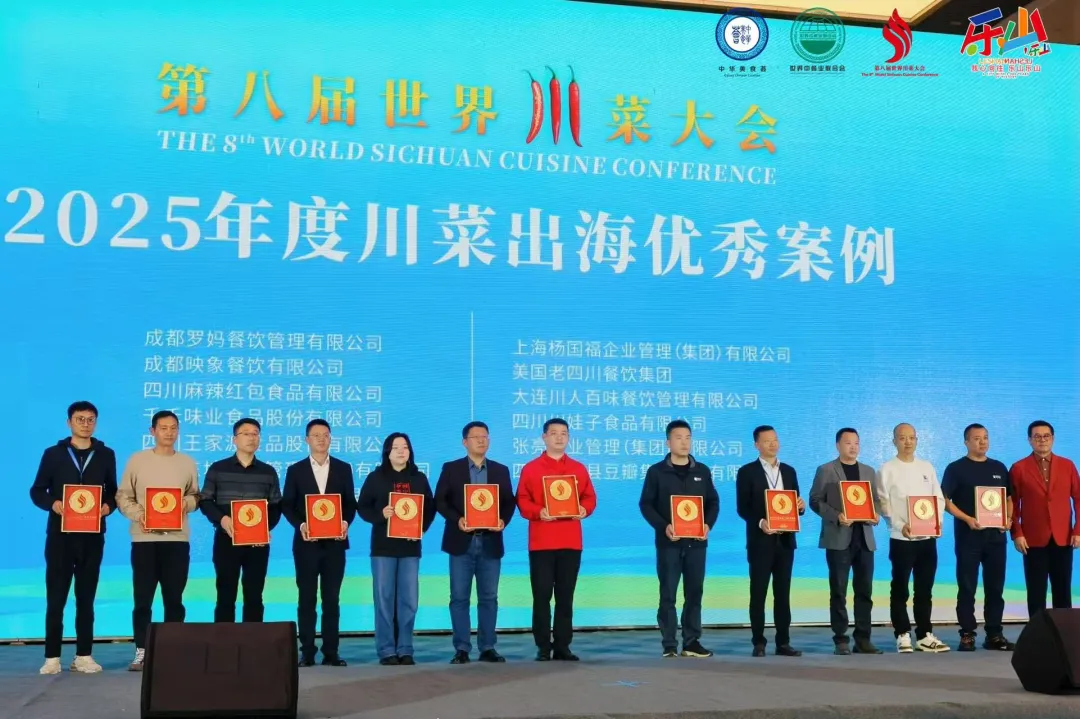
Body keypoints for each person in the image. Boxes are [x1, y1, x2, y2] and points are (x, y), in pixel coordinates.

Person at [29, 401, 118, 675]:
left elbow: (113, 492)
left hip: (92, 536)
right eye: (80, 419)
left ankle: (83, 655)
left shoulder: (106, 454)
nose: (85, 424)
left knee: (86, 598)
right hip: (60, 536)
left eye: (90, 419)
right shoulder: (53, 454)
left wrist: (107, 507)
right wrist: (53, 503)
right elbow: (37, 491)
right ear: (69, 422)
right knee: (56, 598)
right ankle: (52, 657)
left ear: (96, 423)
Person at [115, 410, 201, 671]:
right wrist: (140, 515)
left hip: (177, 540)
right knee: (143, 599)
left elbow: (196, 496)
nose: (169, 432)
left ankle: (172, 650)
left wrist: (185, 504)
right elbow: (123, 496)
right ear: (152, 431)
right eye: (163, 428)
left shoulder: (187, 463)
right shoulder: (137, 461)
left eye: (174, 428)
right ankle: (142, 650)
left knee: (174, 598)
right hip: (144, 540)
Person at [434, 421, 516, 664]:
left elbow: (509, 502)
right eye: (476, 437)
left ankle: (488, 647)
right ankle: (461, 648)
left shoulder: (500, 470)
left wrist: (502, 520)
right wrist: (457, 519)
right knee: (459, 597)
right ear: (464, 442)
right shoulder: (451, 469)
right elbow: (440, 501)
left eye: (485, 436)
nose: (481, 440)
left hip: (490, 541)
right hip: (461, 541)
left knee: (489, 597)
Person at [516, 418, 597, 661]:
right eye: (554, 433)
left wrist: (583, 509)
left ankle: (562, 645)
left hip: (570, 542)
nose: (559, 437)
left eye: (564, 433)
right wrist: (538, 512)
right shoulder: (531, 468)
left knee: (565, 596)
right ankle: (543, 646)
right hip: (541, 542)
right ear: (544, 437)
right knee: (541, 597)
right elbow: (522, 499)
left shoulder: (578, 468)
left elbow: (590, 497)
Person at [639, 420, 719, 658]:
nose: (684, 442)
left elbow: (713, 502)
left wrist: (707, 524)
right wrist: (664, 527)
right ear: (668, 442)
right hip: (669, 544)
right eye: (678, 438)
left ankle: (692, 642)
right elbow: (646, 505)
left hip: (697, 543)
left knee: (694, 593)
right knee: (668, 594)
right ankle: (669, 644)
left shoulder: (702, 471)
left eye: (688, 437)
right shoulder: (656, 472)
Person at [281, 418, 357, 667]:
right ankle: (307, 651)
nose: (321, 439)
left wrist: (344, 522)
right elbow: (287, 505)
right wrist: (301, 525)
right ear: (307, 440)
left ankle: (331, 652)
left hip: (335, 544)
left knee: (332, 599)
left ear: (330, 438)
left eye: (325, 435)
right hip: (306, 545)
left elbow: (350, 504)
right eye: (316, 435)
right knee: (306, 599)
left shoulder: (344, 468)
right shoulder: (296, 470)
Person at [357, 432, 436, 666]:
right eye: (396, 447)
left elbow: (430, 508)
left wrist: (421, 528)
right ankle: (386, 650)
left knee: (409, 600)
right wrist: (380, 514)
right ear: (387, 452)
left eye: (405, 447)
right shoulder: (376, 478)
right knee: (384, 599)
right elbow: (362, 508)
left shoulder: (419, 478)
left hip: (410, 547)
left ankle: (405, 648)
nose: (401, 451)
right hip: (383, 547)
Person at [199, 418, 282, 623]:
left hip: (257, 544)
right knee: (225, 595)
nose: (251, 438)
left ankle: (252, 642)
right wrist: (222, 519)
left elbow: (276, 505)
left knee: (254, 596)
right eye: (246, 433)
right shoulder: (218, 468)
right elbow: (205, 501)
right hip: (226, 540)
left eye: (255, 434)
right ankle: (224, 641)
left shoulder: (268, 471)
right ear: (234, 439)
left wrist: (265, 527)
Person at [874, 423, 949, 653]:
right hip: (901, 538)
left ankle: (924, 634)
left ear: (917, 440)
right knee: (900, 588)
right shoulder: (886, 469)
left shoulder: (927, 467)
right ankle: (902, 633)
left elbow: (938, 498)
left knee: (924, 589)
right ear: (894, 441)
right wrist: (899, 525)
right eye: (902, 438)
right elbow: (883, 503)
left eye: (912, 437)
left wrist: (937, 523)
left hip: (927, 539)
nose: (907, 442)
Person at [941, 423, 1015, 651]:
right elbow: (944, 501)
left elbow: (1009, 498)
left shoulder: (999, 467)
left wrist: (1008, 519)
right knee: (967, 587)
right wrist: (967, 519)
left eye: (985, 437)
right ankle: (967, 634)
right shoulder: (955, 468)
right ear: (966, 442)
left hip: (996, 539)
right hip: (969, 537)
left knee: (995, 588)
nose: (982, 442)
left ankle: (994, 634)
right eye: (976, 438)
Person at [809, 427, 883, 655]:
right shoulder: (826, 470)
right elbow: (815, 500)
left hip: (864, 538)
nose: (853, 447)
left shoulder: (869, 471)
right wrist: (837, 516)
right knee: (839, 591)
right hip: (838, 538)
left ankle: (863, 639)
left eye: (856, 443)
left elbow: (876, 500)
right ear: (838, 445)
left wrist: (876, 513)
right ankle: (840, 639)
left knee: (865, 591)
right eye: (848, 443)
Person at [735, 425, 804, 657]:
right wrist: (760, 522)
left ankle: (783, 642)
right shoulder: (747, 472)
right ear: (757, 445)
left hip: (785, 542)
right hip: (760, 542)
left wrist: (800, 507)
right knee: (759, 593)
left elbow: (794, 503)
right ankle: (759, 642)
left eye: (775, 440)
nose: (773, 444)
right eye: (767, 441)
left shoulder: (789, 471)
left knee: (783, 594)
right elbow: (743, 507)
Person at [1010, 420, 1080, 618]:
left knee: (1063, 590)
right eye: (1037, 436)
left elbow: (1078, 499)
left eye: (1046, 436)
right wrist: (1017, 533)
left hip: (1063, 537)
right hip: (1032, 539)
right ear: (1029, 440)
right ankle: (1037, 633)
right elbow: (1012, 504)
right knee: (1036, 591)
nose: (1042, 440)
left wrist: (1078, 530)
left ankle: (1064, 632)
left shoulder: (1067, 465)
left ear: (1053, 438)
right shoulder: (1019, 468)